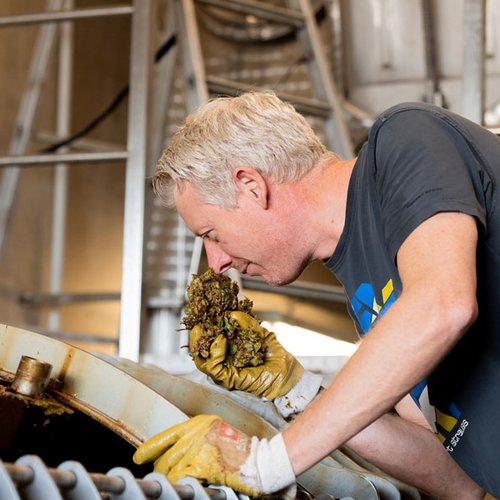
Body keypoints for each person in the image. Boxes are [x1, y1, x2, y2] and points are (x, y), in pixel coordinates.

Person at [133, 91, 500, 498]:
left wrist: (265, 464)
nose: (215, 261)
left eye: (211, 234)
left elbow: (442, 305)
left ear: (251, 186)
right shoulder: (363, 292)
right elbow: (447, 466)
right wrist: (295, 387)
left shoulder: (406, 138)